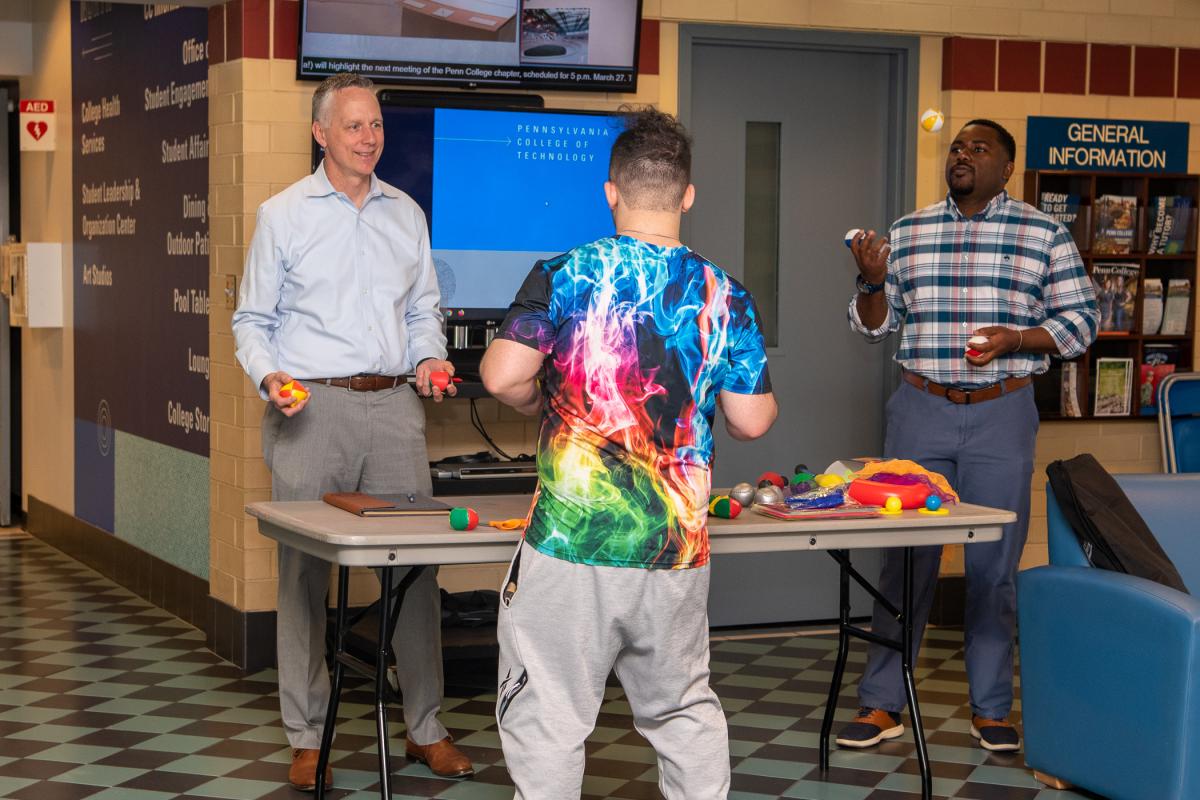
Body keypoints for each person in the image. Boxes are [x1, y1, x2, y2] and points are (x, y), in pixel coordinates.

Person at [479, 107, 778, 799]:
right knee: (682, 711)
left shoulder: (564, 274)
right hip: (673, 548)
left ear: (611, 192)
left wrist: (539, 402)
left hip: (569, 543)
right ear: (687, 195)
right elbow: (752, 420)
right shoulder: (724, 293)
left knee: (550, 715)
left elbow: (500, 377)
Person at [231, 73, 473, 791]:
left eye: (375, 126)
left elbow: (423, 309)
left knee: (416, 571)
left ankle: (425, 726)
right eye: (354, 126)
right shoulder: (284, 215)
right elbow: (252, 321)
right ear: (321, 133)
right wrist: (272, 378)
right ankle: (307, 736)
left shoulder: (407, 213)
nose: (369, 138)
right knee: (303, 577)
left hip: (395, 407)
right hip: (313, 410)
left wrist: (429, 357)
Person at [839, 119, 1099, 753]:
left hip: (1001, 414)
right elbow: (874, 328)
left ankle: (990, 708)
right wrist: (872, 283)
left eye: (978, 148)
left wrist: (1017, 338)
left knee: (993, 566)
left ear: (1006, 167)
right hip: (919, 408)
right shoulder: (909, 231)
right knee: (904, 560)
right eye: (957, 147)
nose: (963, 155)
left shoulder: (1043, 233)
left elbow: (1082, 319)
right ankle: (881, 703)